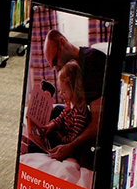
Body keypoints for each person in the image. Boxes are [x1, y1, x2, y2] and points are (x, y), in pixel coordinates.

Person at [41, 28, 108, 163]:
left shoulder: (92, 63)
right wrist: (54, 124)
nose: (56, 69)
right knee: (56, 111)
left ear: (62, 43)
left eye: (55, 61)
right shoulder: (75, 64)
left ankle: (61, 145)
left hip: (100, 124)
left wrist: (70, 146)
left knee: (87, 154)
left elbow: (98, 122)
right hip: (83, 116)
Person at [34, 61, 91, 151]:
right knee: (57, 110)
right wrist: (53, 124)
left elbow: (74, 138)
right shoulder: (69, 103)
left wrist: (61, 139)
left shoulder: (80, 113)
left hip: (71, 143)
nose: (61, 94)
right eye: (60, 91)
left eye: (64, 92)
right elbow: (62, 116)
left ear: (74, 89)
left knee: (51, 140)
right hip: (66, 132)